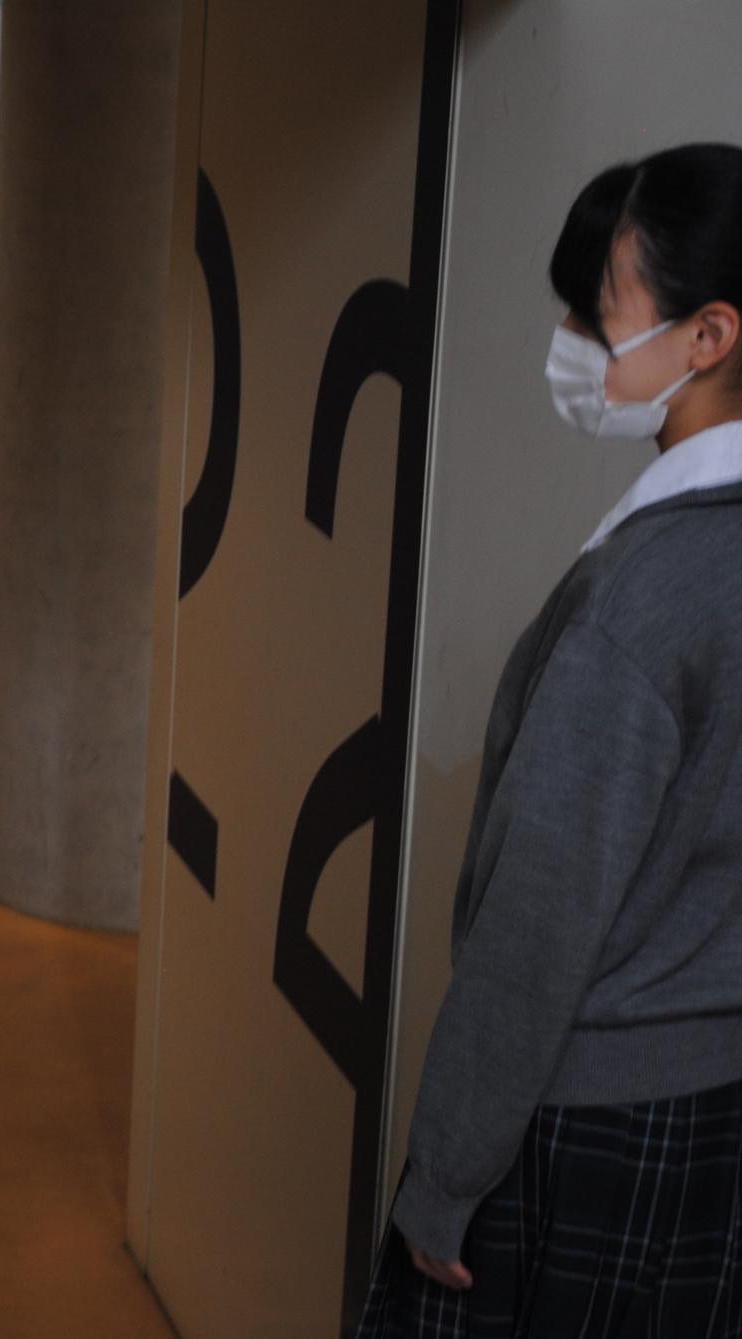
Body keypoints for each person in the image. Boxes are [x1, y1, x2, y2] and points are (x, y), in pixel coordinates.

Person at [361, 142, 742, 1336]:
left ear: (704, 337)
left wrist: (442, 1181)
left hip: (592, 1122)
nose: (570, 336)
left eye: (599, 309)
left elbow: (537, 922)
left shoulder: (638, 605)